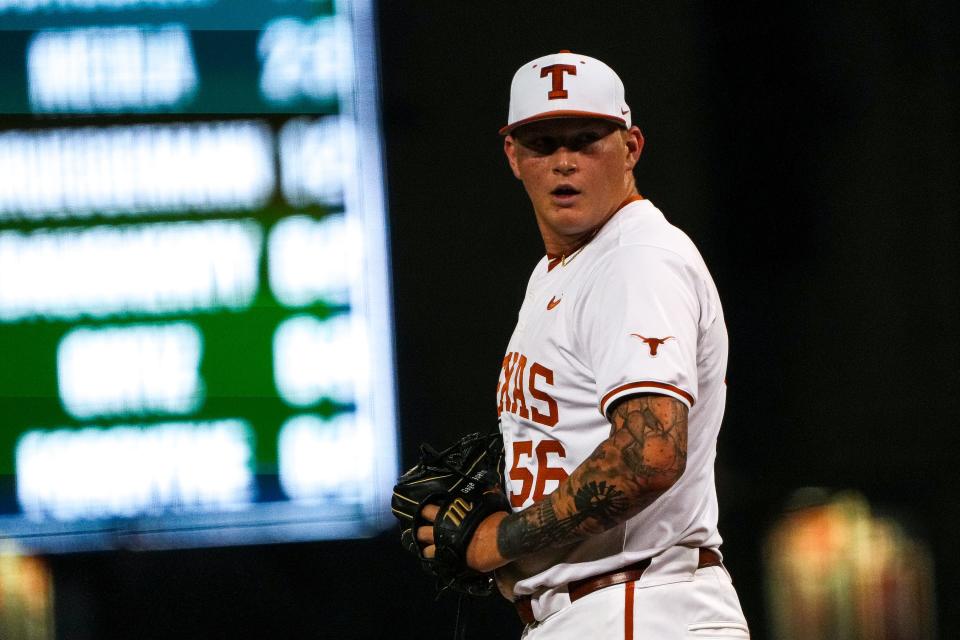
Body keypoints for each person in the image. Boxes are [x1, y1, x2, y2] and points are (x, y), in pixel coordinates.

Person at [417, 50, 750, 639]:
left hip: (637, 606)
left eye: (586, 139)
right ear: (513, 157)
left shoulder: (635, 258)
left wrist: (501, 540)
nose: (564, 162)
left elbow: (648, 454)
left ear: (631, 147)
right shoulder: (564, 268)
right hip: (606, 610)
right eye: (543, 144)